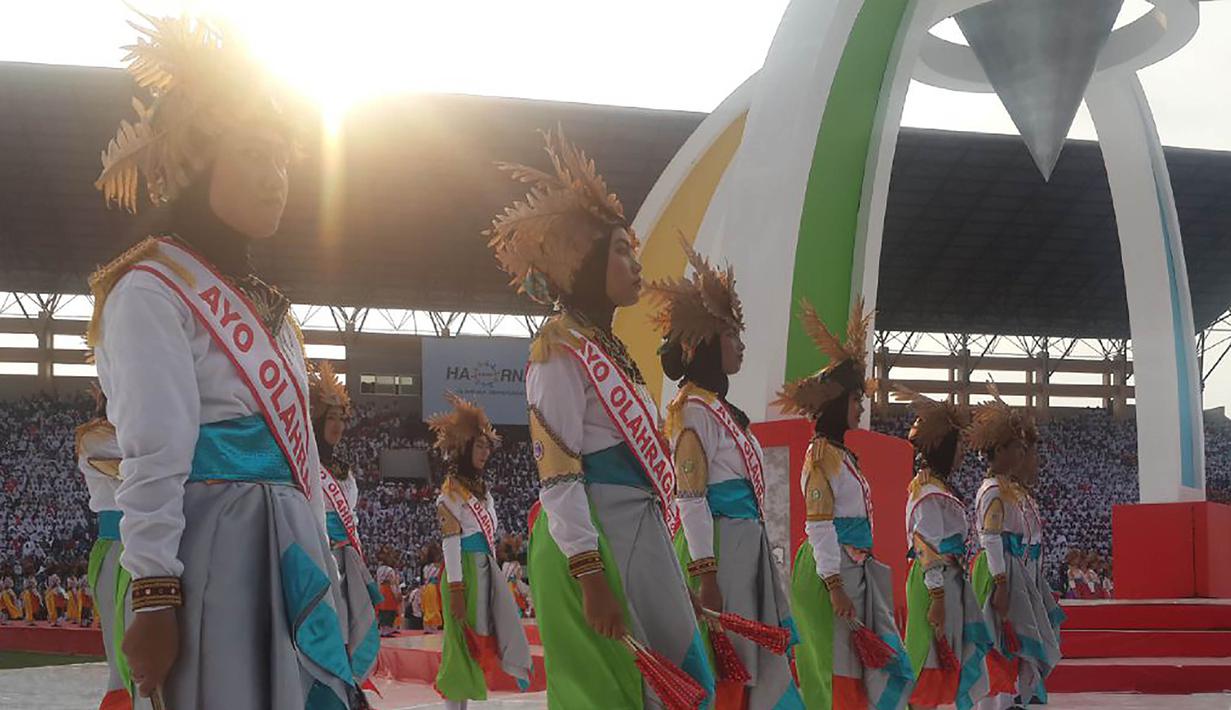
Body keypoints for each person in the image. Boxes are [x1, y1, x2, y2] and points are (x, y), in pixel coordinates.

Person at [88, 13, 357, 708]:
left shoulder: (274, 309)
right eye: (254, 156)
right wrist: (153, 597)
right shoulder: (148, 289)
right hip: (216, 553)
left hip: (292, 549)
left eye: (283, 160)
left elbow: (303, 467)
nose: (277, 179)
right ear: (198, 163)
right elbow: (154, 452)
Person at [491, 128, 715, 707]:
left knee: (685, 680)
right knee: (624, 692)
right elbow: (559, 473)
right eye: (620, 251)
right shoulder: (558, 349)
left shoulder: (609, 349)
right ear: (585, 262)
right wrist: (590, 576)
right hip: (599, 539)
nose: (635, 264)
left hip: (636, 529)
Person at [650, 239, 802, 709]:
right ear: (708, 345)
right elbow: (691, 499)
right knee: (728, 661)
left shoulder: (717, 409)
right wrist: (706, 574)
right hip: (718, 551)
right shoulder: (692, 412)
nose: (741, 346)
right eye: (733, 336)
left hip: (742, 547)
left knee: (748, 660)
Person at [776, 299, 913, 709]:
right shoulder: (821, 457)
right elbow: (820, 527)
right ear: (837, 403)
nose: (861, 406)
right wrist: (834, 586)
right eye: (856, 399)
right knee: (835, 675)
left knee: (860, 670)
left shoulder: (842, 456)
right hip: (829, 575)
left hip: (852, 572)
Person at [429, 393, 532, 707]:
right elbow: (450, 542)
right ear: (463, 447)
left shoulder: (483, 493)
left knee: (482, 636)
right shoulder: (451, 492)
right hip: (465, 571)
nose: (486, 452)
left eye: (488, 446)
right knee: (461, 642)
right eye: (479, 445)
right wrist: (456, 588)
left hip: (485, 568)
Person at [894, 388, 992, 710]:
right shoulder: (927, 491)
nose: (963, 451)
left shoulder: (939, 488)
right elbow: (925, 548)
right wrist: (937, 598)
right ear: (945, 447)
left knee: (942, 658)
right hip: (934, 585)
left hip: (949, 583)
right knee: (927, 659)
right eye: (960, 444)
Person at [967, 385, 1060, 710]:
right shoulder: (993, 490)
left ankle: (1017, 697)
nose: (1023, 455)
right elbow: (991, 537)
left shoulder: (1013, 491)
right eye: (1018, 448)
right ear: (1000, 450)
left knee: (1016, 641)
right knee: (1001, 642)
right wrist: (1002, 583)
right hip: (1002, 572)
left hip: (1018, 572)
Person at [310, 360, 381, 690]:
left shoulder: (344, 469)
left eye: (342, 418)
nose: (337, 425)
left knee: (351, 629)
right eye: (331, 418)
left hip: (346, 559)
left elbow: (349, 515)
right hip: (318, 556)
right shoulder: (304, 462)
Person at [76, 389, 133, 709]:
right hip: (117, 548)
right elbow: (147, 465)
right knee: (125, 660)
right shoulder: (94, 437)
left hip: (146, 540)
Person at [421, 547, 444, 631]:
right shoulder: (437, 567)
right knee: (433, 607)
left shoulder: (426, 567)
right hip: (434, 587)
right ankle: (432, 625)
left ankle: (428, 625)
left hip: (426, 588)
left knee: (428, 607)